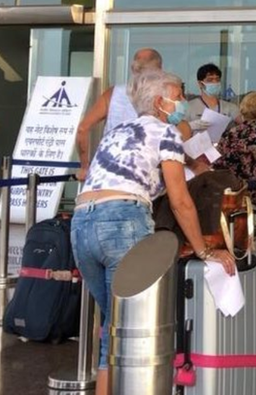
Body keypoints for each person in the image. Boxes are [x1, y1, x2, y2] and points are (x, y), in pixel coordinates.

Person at [72, 70, 236, 395]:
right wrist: (204, 249)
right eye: (177, 95)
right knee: (128, 329)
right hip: (123, 221)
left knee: (114, 328)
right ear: (161, 102)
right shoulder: (166, 132)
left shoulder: (118, 131)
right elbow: (180, 201)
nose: (181, 102)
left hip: (81, 222)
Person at [75, 48, 165, 181]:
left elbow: (83, 129)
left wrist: (84, 166)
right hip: (148, 170)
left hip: (109, 168)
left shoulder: (113, 93)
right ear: (159, 69)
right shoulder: (164, 96)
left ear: (133, 68)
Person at [186, 63, 240, 134]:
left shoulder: (231, 108)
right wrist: (190, 126)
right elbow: (179, 131)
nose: (214, 82)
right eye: (210, 80)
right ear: (200, 83)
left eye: (217, 79)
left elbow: (243, 124)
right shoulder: (189, 107)